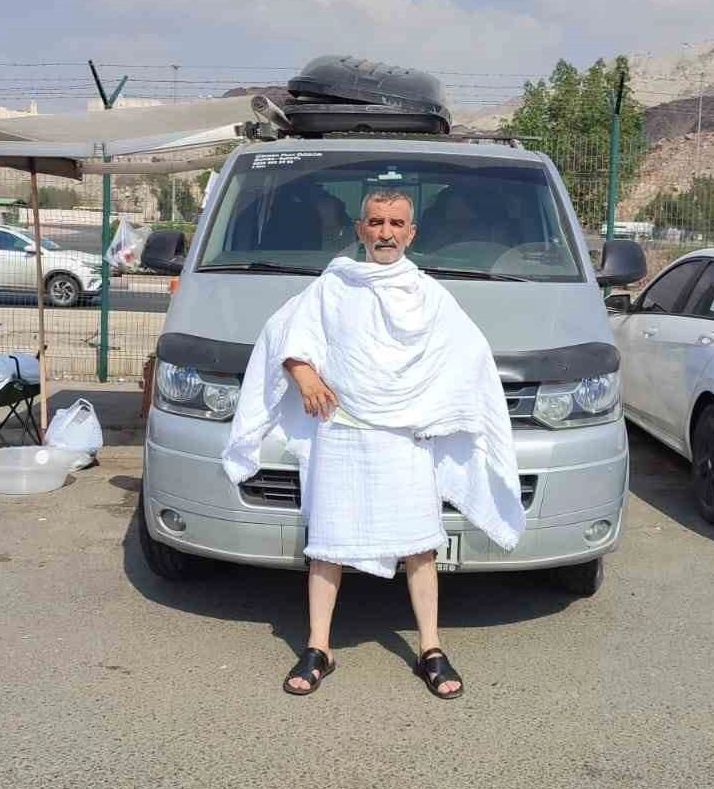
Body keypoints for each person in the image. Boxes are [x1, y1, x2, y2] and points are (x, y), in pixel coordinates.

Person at [222, 188, 524, 700]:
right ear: (361, 229)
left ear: (411, 233)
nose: (386, 232)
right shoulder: (334, 285)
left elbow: (468, 355)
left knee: (420, 547)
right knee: (327, 547)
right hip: (341, 432)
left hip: (405, 439)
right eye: (376, 222)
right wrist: (303, 374)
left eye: (396, 223)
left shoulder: (429, 294)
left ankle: (431, 648)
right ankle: (319, 647)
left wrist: (437, 408)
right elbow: (284, 335)